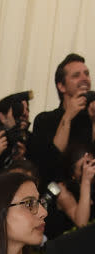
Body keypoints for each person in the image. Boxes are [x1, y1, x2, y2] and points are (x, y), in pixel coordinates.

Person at [32, 53, 95, 186]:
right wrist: (68, 116)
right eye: (76, 75)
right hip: (56, 195)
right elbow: (49, 163)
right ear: (61, 86)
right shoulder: (44, 120)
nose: (84, 79)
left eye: (86, 74)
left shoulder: (91, 118)